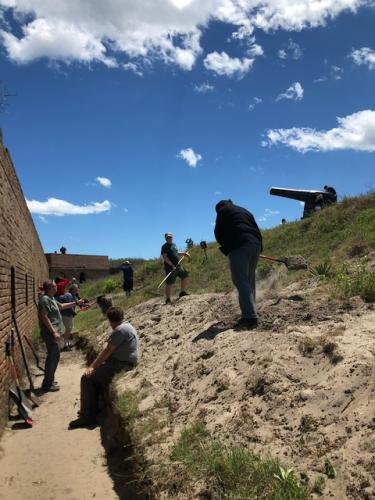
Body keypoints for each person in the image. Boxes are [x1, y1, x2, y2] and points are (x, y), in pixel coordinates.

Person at [68, 306, 139, 429]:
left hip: (121, 364)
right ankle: (95, 409)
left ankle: (87, 417)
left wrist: (92, 366)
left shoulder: (119, 330)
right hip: (124, 362)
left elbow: (107, 351)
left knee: (87, 378)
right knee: (98, 378)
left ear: (110, 320)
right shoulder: (127, 326)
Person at [214, 200, 262, 330]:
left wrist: (227, 247)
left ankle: (249, 317)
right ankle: (252, 309)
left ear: (220, 207)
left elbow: (218, 233)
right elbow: (256, 228)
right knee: (249, 280)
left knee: (240, 280)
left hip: (239, 245)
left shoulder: (222, 211)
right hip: (255, 243)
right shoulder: (245, 210)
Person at [38, 280, 84, 392]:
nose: (57, 287)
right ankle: (47, 384)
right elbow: (44, 317)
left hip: (54, 332)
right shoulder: (44, 300)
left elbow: (62, 306)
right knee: (52, 357)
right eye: (55, 286)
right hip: (50, 333)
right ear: (49, 288)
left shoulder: (51, 298)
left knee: (55, 356)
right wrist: (53, 331)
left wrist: (76, 303)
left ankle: (50, 380)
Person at [161, 232, 190, 304]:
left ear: (172, 237)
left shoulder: (174, 245)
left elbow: (176, 253)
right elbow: (165, 257)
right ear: (165, 238)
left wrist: (183, 253)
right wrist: (171, 265)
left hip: (177, 266)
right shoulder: (164, 246)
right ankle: (168, 299)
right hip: (170, 267)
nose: (169, 238)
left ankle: (182, 292)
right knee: (170, 283)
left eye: (170, 237)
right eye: (168, 237)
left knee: (185, 276)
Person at [57, 284, 80, 351]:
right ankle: (65, 345)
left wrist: (83, 304)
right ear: (73, 289)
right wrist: (74, 312)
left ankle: (67, 343)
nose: (77, 290)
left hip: (68, 314)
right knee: (68, 329)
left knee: (69, 329)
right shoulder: (69, 295)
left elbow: (76, 303)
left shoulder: (72, 295)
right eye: (76, 289)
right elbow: (69, 305)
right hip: (66, 314)